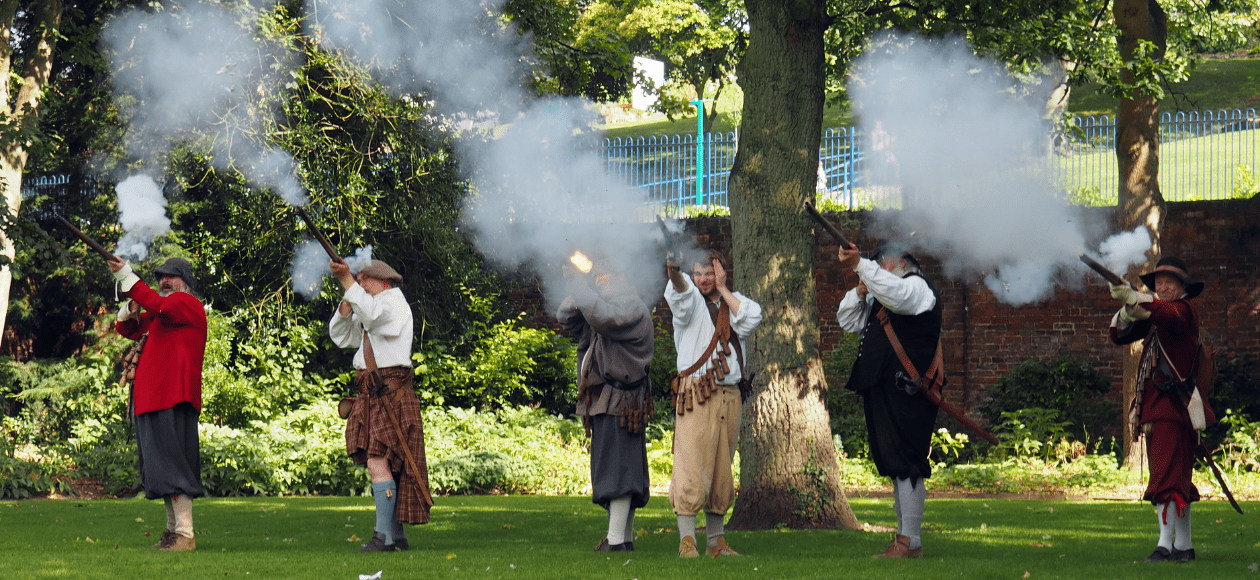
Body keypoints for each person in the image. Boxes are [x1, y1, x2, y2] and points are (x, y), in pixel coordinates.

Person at [835, 242, 941, 559]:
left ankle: (911, 541)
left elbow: (898, 295)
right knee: (896, 464)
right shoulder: (884, 294)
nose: (877, 271)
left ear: (896, 262)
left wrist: (862, 266)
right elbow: (847, 320)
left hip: (908, 388)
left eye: (880, 265)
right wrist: (861, 289)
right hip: (884, 386)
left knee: (908, 462)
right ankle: (905, 539)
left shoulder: (916, 287)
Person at [1109, 256, 1209, 563]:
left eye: (1169, 283)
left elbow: (1167, 313)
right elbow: (1119, 335)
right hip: (1161, 408)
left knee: (1167, 478)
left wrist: (1138, 297)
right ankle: (1183, 546)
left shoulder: (1183, 310)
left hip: (1174, 407)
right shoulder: (1159, 314)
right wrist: (1128, 307)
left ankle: (1165, 546)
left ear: (1182, 288)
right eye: (1159, 283)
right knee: (1174, 478)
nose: (1163, 287)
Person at [664, 249, 762, 558]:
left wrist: (723, 289)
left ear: (720, 273)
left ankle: (716, 542)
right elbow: (679, 289)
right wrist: (673, 269)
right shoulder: (689, 298)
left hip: (729, 394)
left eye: (709, 273)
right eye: (698, 274)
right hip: (696, 392)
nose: (703, 279)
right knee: (691, 462)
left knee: (722, 468)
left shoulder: (735, 303)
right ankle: (687, 540)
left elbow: (751, 318)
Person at [330, 258, 432, 553]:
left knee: (378, 462)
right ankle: (395, 537)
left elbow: (373, 317)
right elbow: (341, 337)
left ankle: (383, 537)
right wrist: (344, 309)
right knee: (390, 466)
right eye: (358, 281)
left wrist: (347, 281)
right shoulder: (371, 306)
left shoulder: (391, 302)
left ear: (383, 282)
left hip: (390, 391)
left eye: (364, 281)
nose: (359, 285)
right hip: (374, 392)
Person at [556, 255, 654, 552]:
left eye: (604, 275)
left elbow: (602, 318)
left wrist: (581, 284)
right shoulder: (604, 304)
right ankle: (623, 539)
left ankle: (615, 541)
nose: (600, 280)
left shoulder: (630, 306)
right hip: (607, 400)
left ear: (622, 274)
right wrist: (581, 287)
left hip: (620, 400)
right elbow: (566, 317)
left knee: (620, 471)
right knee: (616, 467)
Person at [110, 256, 207, 552]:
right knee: (160, 469)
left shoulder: (186, 304)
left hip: (173, 396)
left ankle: (185, 534)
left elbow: (158, 304)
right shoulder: (162, 311)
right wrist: (131, 306)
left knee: (175, 466)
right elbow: (126, 329)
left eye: (171, 277)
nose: (164, 281)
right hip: (152, 398)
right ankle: (172, 533)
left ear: (186, 283)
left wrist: (127, 275)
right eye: (161, 277)